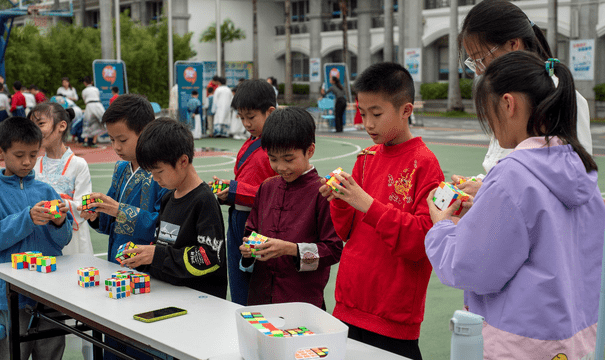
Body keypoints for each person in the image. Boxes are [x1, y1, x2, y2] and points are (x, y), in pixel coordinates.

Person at [425, 51, 605, 360]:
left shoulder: (512, 175)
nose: (490, 125)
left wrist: (441, 225)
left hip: (519, 344)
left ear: (509, 105)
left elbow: (470, 267)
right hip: (574, 340)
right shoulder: (580, 167)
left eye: (488, 112)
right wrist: (484, 204)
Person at [319, 63, 444, 360]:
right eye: (363, 113)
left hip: (393, 317)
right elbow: (346, 232)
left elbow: (423, 241)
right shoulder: (366, 157)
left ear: (406, 110)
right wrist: (338, 198)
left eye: (376, 114)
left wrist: (366, 204)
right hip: (350, 304)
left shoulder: (425, 164)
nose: (368, 123)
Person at [451, 0, 593, 196]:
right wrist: (481, 183)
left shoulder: (561, 96)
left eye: (481, 59)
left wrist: (488, 190)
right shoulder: (504, 96)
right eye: (472, 61)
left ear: (513, 44)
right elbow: (507, 169)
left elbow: (575, 185)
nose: (477, 70)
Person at [78, 95, 169, 360]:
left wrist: (120, 210)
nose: (116, 147)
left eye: (123, 140)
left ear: (145, 132)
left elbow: (164, 225)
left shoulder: (160, 172)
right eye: (112, 140)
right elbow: (110, 223)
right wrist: (96, 215)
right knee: (114, 337)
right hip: (116, 266)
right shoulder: (120, 169)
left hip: (148, 273)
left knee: (142, 341)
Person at [0, 116, 72, 360]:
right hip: (12, 294)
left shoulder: (45, 190)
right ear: (0, 151)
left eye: (33, 154)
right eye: (19, 155)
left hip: (50, 290)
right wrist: (26, 219)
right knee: (13, 353)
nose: (28, 162)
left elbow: (62, 241)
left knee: (51, 352)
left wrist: (60, 222)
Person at [239, 107, 342, 308]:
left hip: (302, 300)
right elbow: (251, 230)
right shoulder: (267, 187)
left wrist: (291, 249)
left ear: (309, 150)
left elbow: (333, 250)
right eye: (273, 159)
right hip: (260, 297)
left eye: (288, 159)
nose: (280, 167)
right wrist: (248, 249)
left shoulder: (323, 191)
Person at [123, 118, 227, 299]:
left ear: (183, 161)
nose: (155, 179)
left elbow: (210, 257)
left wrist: (156, 255)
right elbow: (163, 246)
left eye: (159, 172)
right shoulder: (167, 198)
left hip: (200, 302)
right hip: (169, 295)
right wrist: (142, 260)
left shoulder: (204, 201)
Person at [29, 103, 94, 360]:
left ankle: (90, 352)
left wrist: (62, 204)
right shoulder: (34, 163)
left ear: (61, 126)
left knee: (81, 302)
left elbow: (85, 204)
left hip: (73, 240)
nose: (36, 129)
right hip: (42, 240)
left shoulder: (78, 164)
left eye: (41, 123)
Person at [212, 79, 278, 305]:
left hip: (260, 221)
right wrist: (227, 191)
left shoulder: (276, 146)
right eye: (242, 118)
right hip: (238, 216)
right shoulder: (252, 141)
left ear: (270, 112)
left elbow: (275, 191)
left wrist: (234, 190)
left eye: (251, 117)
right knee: (238, 281)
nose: (246, 123)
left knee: (254, 285)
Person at [81, 76, 107, 147]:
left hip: (89, 105)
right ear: (91, 82)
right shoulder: (96, 89)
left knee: (87, 122)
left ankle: (86, 141)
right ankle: (94, 141)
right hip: (98, 105)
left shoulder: (84, 91)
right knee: (101, 121)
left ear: (84, 83)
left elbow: (85, 101)